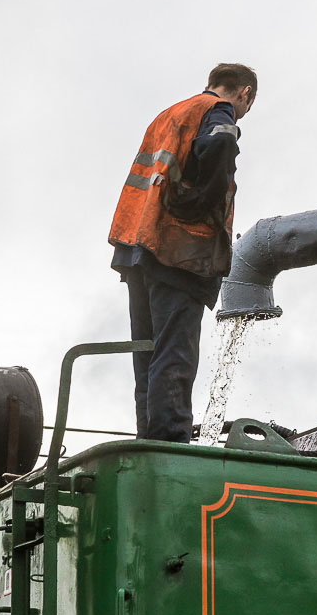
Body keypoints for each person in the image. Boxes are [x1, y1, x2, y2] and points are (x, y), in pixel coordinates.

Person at [108, 63, 257, 443]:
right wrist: (200, 205)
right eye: (248, 103)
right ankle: (171, 445)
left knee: (148, 355)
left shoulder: (170, 113)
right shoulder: (218, 112)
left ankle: (150, 443)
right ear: (244, 93)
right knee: (174, 356)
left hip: (139, 247)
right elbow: (221, 145)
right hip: (179, 252)